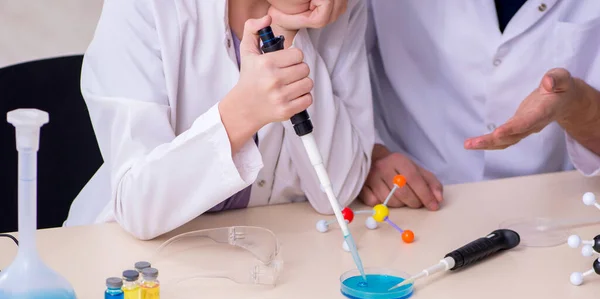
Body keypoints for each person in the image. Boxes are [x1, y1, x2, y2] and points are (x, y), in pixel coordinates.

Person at [64, 0, 374, 240]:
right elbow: (138, 205)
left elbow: (337, 190)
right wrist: (242, 114)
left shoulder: (337, 9)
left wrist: (287, 34)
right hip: (133, 265)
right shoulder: (150, 7)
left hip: (261, 262)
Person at [362, 0, 600, 211]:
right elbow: (333, 67)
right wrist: (369, 152)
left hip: (561, 206)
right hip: (411, 197)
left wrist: (578, 106)